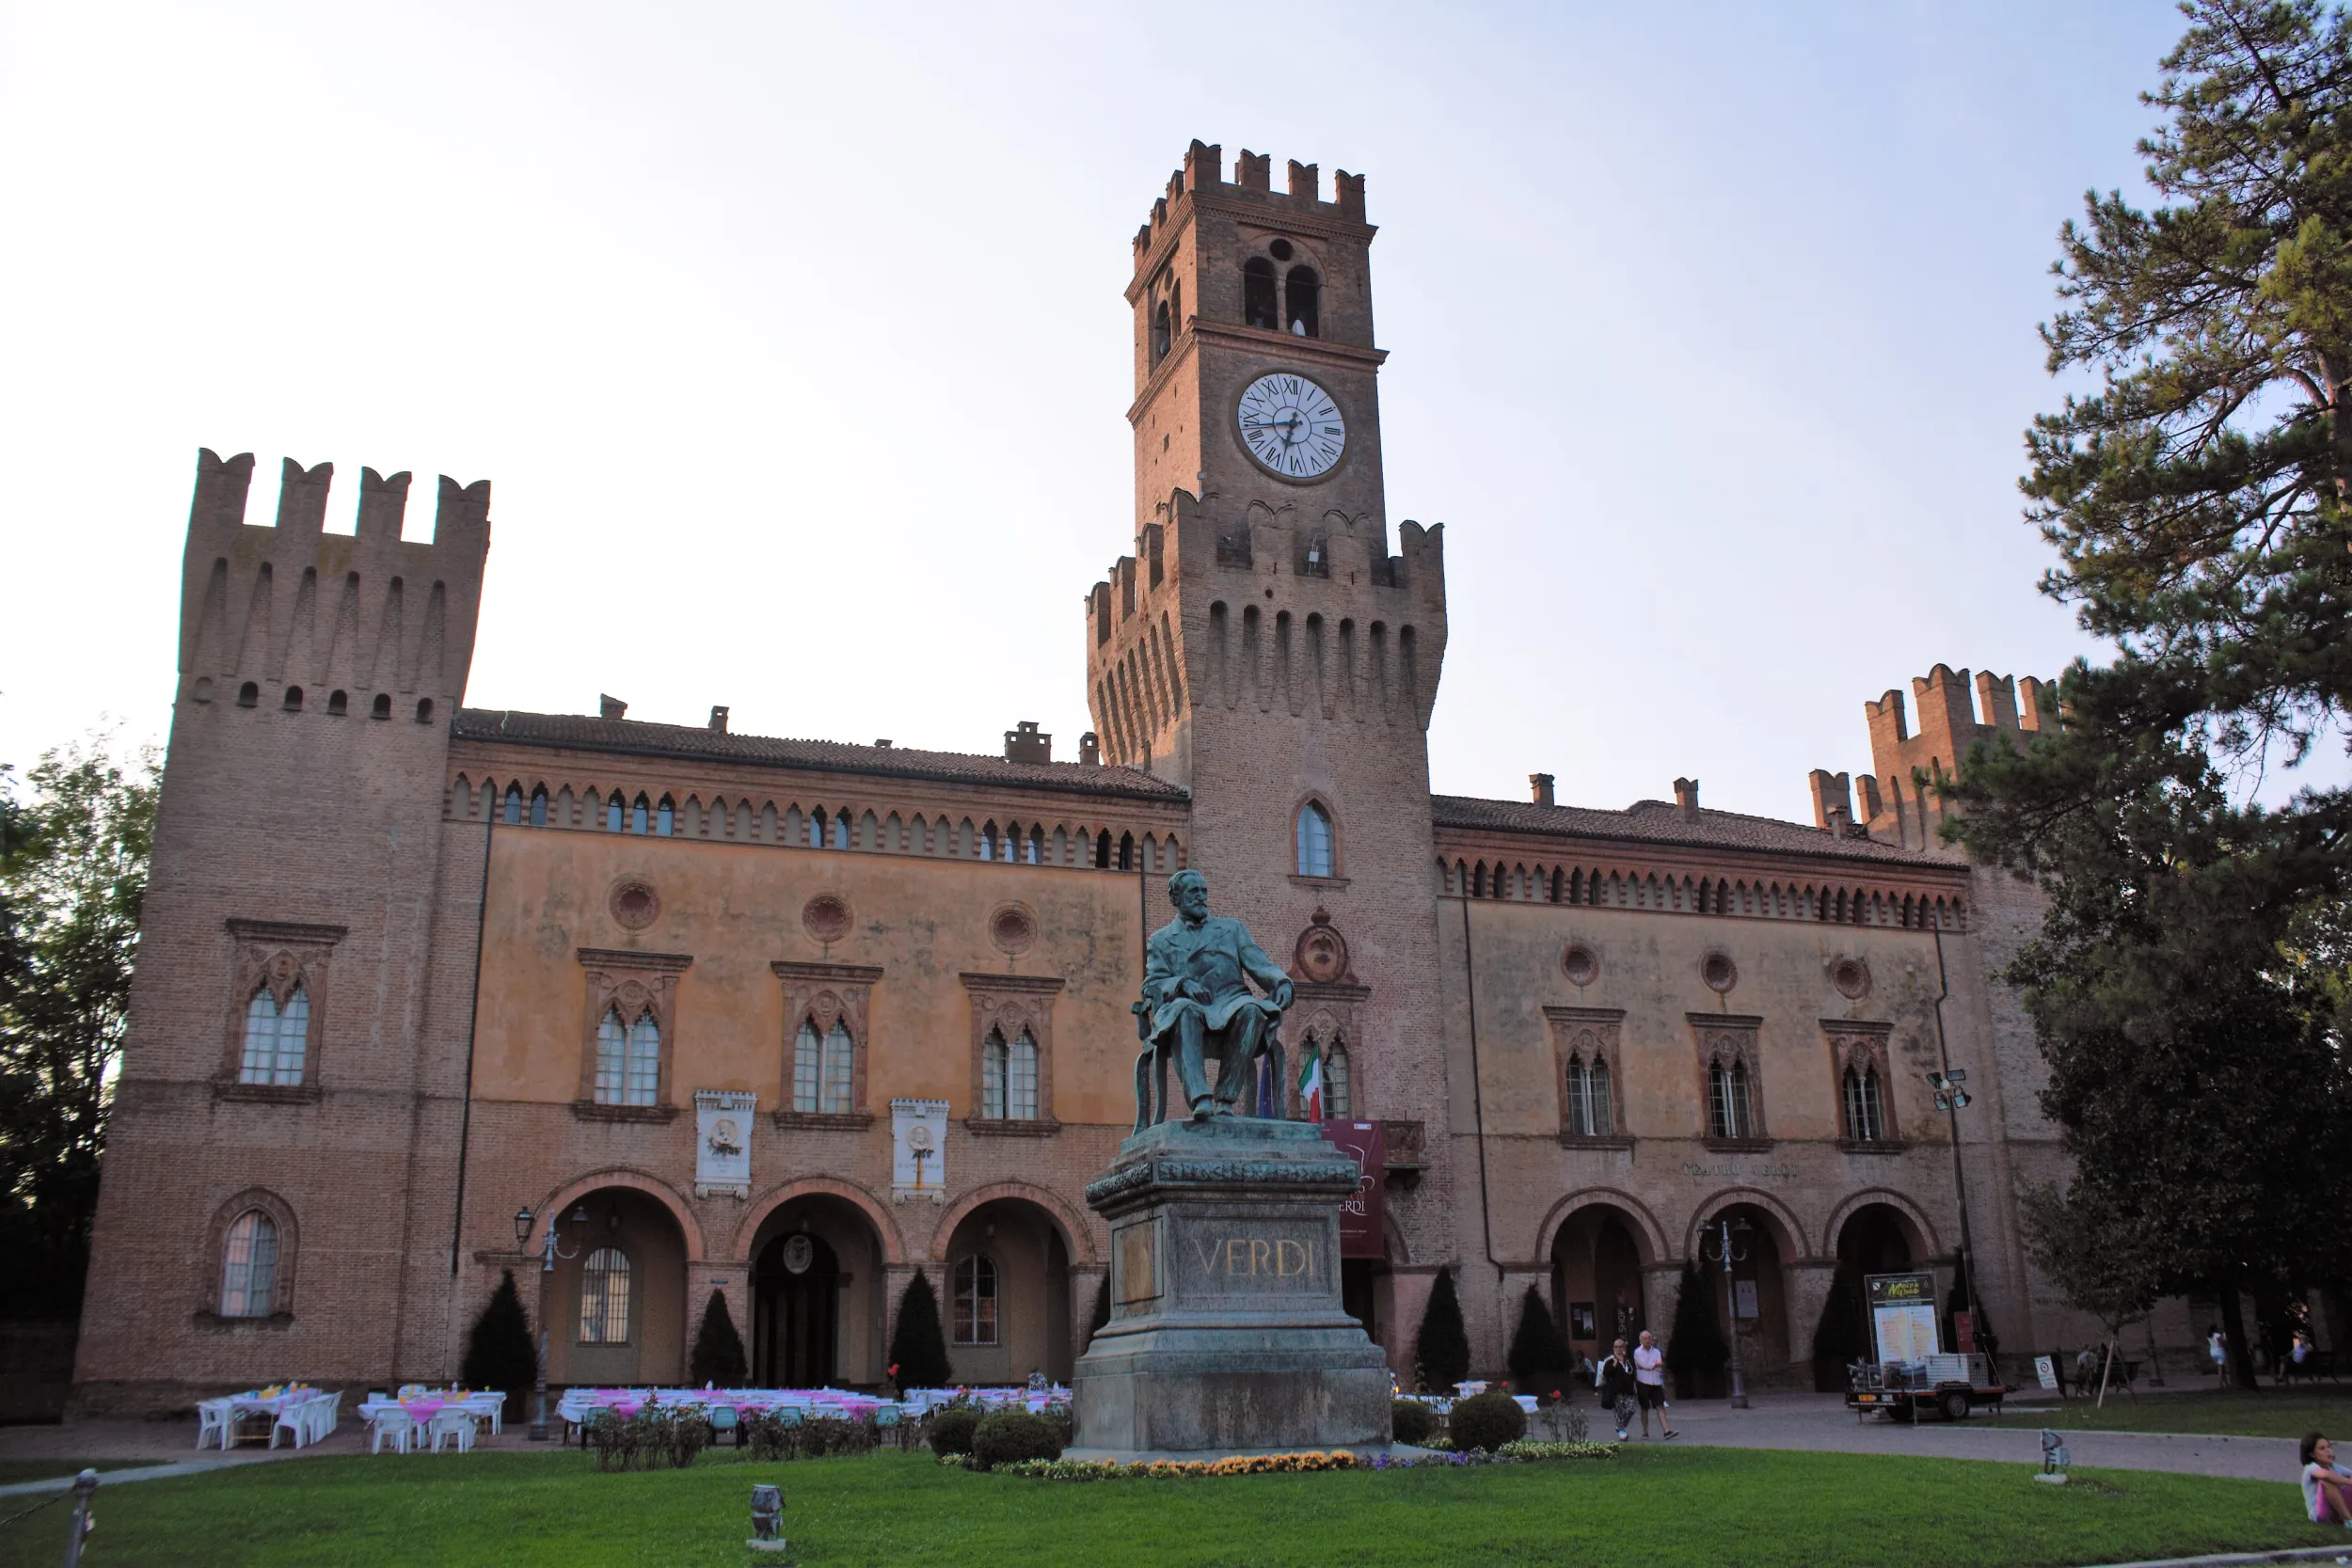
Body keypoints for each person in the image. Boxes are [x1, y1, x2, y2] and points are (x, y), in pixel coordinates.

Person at [1632, 1329, 1678, 1439]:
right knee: (1644, 1408)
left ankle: (1666, 1430)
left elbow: (1660, 1364)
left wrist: (1653, 1365)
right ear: (1641, 1340)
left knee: (1660, 1406)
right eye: (1645, 1338)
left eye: (1649, 1338)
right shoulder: (1637, 1352)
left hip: (1656, 1382)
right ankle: (1645, 1431)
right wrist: (1654, 1365)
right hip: (1643, 1382)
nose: (1647, 1340)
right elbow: (1644, 1365)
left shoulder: (1656, 1352)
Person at [2302, 1433, 2352, 1526]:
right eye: (2322, 1448)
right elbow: (2325, 1475)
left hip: (2336, 1512)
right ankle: (2349, 1521)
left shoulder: (2334, 1467)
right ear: (2312, 1454)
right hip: (2320, 1514)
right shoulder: (2310, 1468)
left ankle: (2345, 1517)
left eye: (2329, 1447)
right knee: (2327, 1481)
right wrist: (2347, 1481)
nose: (2328, 1450)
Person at [1597, 1338, 1639, 1442]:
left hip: (1628, 1390)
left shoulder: (1628, 1360)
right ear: (1613, 1348)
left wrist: (1635, 1385)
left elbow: (1633, 1373)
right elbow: (1606, 1373)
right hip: (1616, 1391)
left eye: (1621, 1346)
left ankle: (1620, 1426)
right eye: (1616, 1347)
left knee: (1631, 1409)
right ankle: (1622, 1432)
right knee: (1620, 1412)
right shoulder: (1610, 1360)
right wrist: (1614, 1364)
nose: (1619, 1349)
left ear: (1624, 1348)